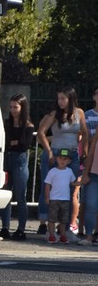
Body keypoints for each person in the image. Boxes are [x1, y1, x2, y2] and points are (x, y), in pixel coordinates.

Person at [36, 86, 88, 242]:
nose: (60, 101)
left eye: (63, 98)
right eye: (58, 98)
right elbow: (41, 132)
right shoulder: (55, 114)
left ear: (70, 99)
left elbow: (84, 133)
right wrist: (49, 151)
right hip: (55, 153)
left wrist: (84, 152)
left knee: (72, 190)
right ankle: (45, 224)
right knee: (48, 186)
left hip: (72, 154)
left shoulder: (79, 113)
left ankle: (65, 228)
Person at [0, 93, 34, 241]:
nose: (13, 110)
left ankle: (21, 229)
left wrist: (14, 143)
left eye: (16, 107)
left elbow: (25, 145)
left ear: (22, 107)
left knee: (20, 196)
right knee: (6, 194)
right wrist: (14, 143)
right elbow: (6, 142)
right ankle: (5, 227)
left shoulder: (28, 125)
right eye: (11, 107)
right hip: (7, 159)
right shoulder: (7, 123)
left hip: (20, 160)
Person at [44, 149, 82, 243]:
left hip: (65, 199)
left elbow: (73, 183)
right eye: (60, 158)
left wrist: (81, 182)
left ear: (69, 161)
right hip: (54, 199)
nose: (62, 160)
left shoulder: (69, 171)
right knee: (52, 219)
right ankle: (52, 235)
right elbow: (47, 184)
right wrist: (47, 197)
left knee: (63, 220)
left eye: (65, 159)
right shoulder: (52, 171)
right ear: (56, 159)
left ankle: (63, 236)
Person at [78, 86, 98, 239]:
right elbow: (86, 138)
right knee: (88, 202)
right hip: (92, 164)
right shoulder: (88, 115)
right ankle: (85, 232)